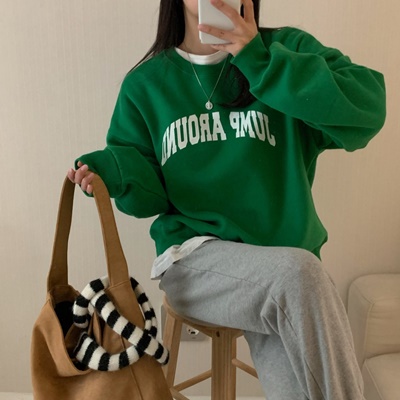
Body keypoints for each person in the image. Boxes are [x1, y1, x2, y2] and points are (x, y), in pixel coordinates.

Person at [68, 0, 386, 398]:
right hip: (194, 259)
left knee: (296, 296)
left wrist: (258, 60)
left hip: (278, 265)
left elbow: (367, 110)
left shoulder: (287, 50)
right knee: (299, 276)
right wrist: (113, 171)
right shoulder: (147, 84)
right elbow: (147, 198)